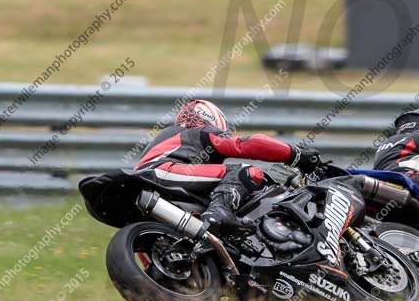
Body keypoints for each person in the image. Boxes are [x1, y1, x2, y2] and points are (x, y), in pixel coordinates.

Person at [134, 99, 320, 233]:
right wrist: (295, 155)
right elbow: (244, 145)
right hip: (162, 173)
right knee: (246, 172)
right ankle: (219, 213)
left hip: (147, 189)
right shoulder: (198, 132)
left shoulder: (170, 142)